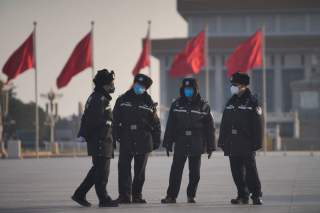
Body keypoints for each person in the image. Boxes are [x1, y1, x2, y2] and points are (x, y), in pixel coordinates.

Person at [161, 77, 215, 204]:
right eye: (185, 89)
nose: (187, 91)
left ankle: (191, 195)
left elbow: (209, 127)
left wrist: (211, 146)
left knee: (195, 173)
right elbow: (170, 125)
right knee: (176, 171)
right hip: (181, 140)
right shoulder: (176, 104)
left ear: (195, 90)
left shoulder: (204, 106)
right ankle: (171, 196)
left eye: (190, 89)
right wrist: (168, 143)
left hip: (197, 140)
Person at [71, 69, 118, 208]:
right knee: (102, 172)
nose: (113, 86)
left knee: (97, 170)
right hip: (100, 140)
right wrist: (105, 127)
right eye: (111, 83)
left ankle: (79, 194)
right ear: (105, 85)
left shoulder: (99, 97)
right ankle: (104, 199)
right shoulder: (98, 99)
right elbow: (93, 120)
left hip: (102, 140)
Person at [113, 74, 161, 204]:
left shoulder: (149, 102)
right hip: (126, 138)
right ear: (134, 83)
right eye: (137, 84)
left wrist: (156, 141)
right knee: (123, 168)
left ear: (145, 88)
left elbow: (156, 123)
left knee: (139, 171)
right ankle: (124, 195)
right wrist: (114, 136)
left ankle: (137, 195)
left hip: (144, 139)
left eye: (141, 86)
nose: (138, 87)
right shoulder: (122, 100)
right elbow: (115, 120)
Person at [218, 72, 263, 205]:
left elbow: (257, 125)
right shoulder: (231, 101)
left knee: (251, 171)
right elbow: (224, 123)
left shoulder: (252, 102)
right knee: (236, 171)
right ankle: (242, 195)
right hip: (233, 142)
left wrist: (257, 143)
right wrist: (222, 140)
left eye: (235, 85)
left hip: (247, 142)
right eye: (232, 85)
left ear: (243, 86)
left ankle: (256, 195)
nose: (233, 87)